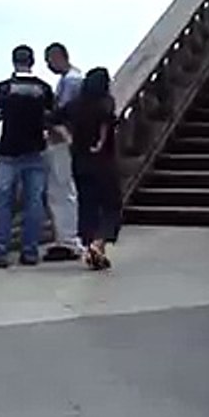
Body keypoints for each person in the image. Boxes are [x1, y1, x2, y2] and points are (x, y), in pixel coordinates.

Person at [0, 44, 54, 268]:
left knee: (2, 202)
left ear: (14, 61)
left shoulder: (4, 88)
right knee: (34, 203)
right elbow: (49, 116)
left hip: (9, 151)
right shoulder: (44, 88)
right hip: (36, 150)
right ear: (32, 62)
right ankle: (29, 251)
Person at [54, 67, 122, 270]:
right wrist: (100, 144)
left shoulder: (75, 105)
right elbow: (106, 124)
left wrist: (68, 137)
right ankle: (98, 244)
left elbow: (51, 118)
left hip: (80, 161)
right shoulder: (105, 103)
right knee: (112, 205)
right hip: (103, 161)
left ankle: (89, 244)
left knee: (88, 205)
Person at [42, 42, 84, 261]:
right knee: (66, 189)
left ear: (58, 57)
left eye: (49, 61)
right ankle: (68, 237)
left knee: (60, 190)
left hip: (62, 141)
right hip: (71, 142)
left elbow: (62, 112)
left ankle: (67, 240)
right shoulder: (76, 78)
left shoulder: (70, 82)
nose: (48, 66)